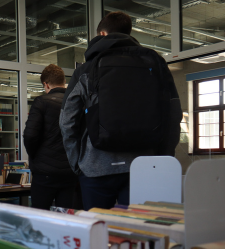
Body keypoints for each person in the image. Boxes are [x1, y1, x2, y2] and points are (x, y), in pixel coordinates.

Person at [59, 11, 182, 210]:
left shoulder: (86, 69)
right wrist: (161, 158)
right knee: (139, 234)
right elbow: (173, 114)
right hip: (143, 165)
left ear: (102, 34)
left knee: (97, 232)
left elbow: (67, 121)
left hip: (95, 166)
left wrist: (77, 163)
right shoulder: (155, 64)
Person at [23, 64, 80, 210]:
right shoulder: (76, 101)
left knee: (40, 216)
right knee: (66, 217)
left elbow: (30, 135)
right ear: (63, 81)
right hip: (70, 171)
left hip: (44, 174)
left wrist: (36, 158)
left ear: (46, 84)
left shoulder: (41, 102)